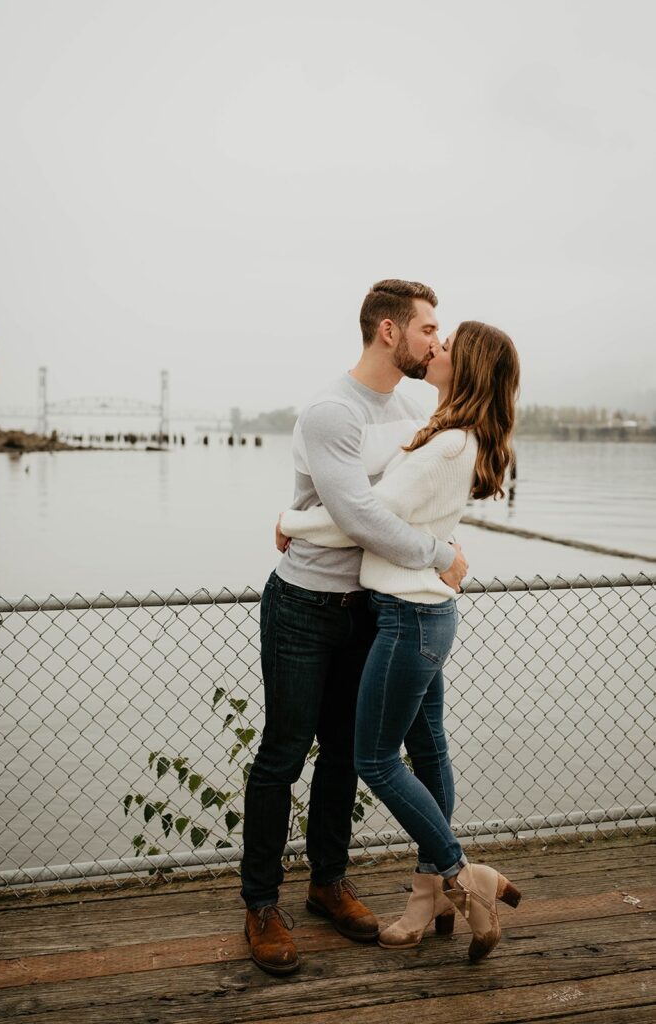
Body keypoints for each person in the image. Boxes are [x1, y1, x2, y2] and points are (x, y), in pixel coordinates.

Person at [241, 280, 469, 975]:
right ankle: (260, 904)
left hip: (373, 609)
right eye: (428, 328)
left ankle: (327, 884)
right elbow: (361, 516)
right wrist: (439, 557)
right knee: (282, 754)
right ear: (387, 331)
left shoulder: (409, 409)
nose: (437, 339)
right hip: (304, 608)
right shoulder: (328, 412)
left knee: (345, 752)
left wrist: (429, 543)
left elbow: (407, 502)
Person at [280, 320, 522, 962]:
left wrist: (291, 520)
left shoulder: (445, 446)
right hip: (425, 613)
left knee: (375, 760)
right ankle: (430, 896)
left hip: (407, 616)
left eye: (446, 343)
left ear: (465, 367)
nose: (435, 347)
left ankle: (459, 873)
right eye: (433, 334)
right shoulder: (452, 434)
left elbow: (365, 518)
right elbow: (382, 511)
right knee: (430, 750)